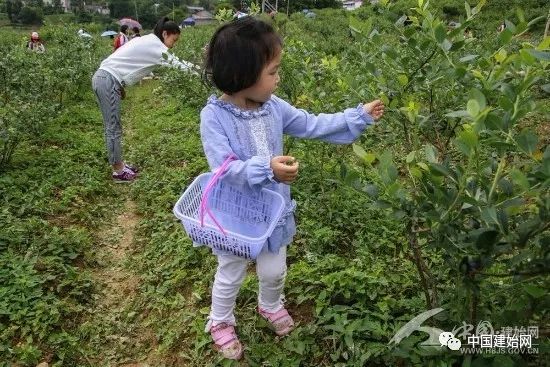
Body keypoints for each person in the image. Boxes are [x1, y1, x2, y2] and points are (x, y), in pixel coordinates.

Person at [200, 17, 384, 360]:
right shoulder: (215, 117)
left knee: (274, 270)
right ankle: (221, 320)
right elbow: (223, 168)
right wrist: (266, 168)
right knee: (231, 271)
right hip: (237, 217)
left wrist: (356, 117)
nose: (278, 78)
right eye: (272, 72)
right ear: (243, 75)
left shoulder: (274, 107)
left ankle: (269, 305)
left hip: (272, 213)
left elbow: (312, 124)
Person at [92, 17, 198, 182]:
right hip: (107, 80)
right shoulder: (157, 46)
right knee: (113, 127)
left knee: (114, 126)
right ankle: (118, 171)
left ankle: (119, 164)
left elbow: (120, 61)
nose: (174, 44)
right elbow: (179, 66)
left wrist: (119, 86)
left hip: (106, 78)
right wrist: (200, 75)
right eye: (174, 39)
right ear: (165, 33)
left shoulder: (149, 40)